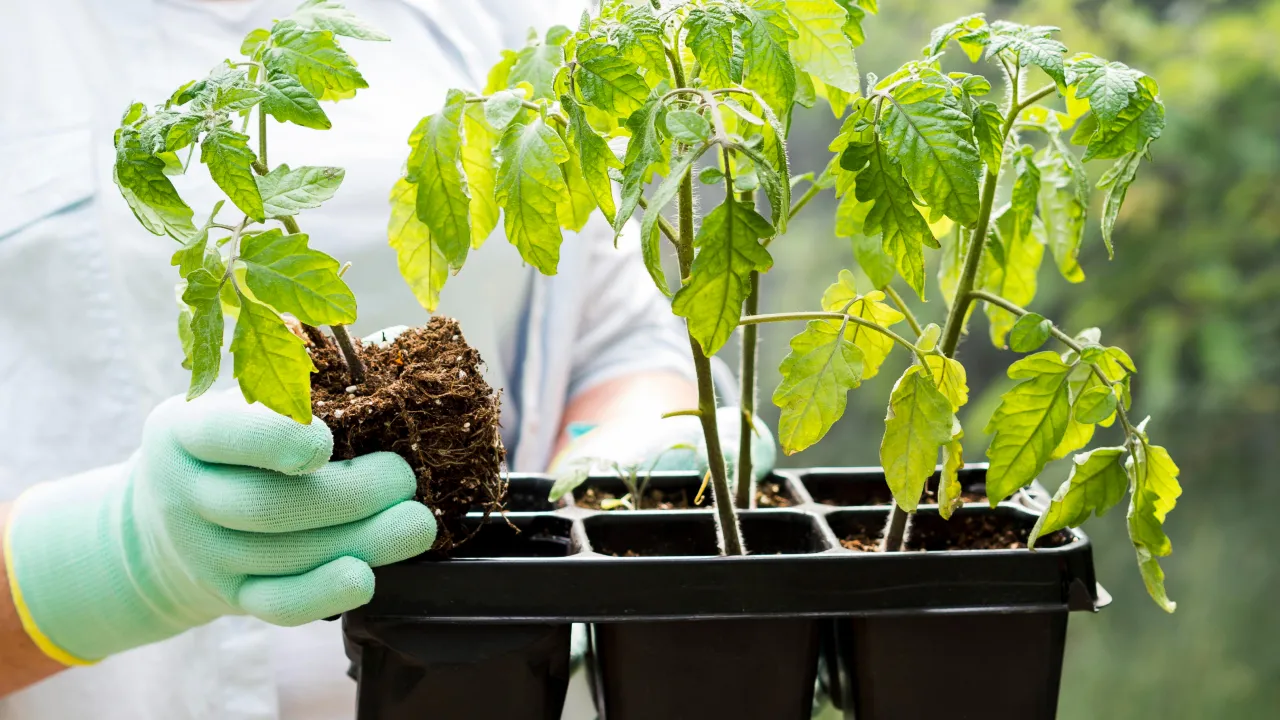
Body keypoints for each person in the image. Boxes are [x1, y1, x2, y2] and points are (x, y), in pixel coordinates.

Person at [0, 1, 775, 718]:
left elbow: (616, 329)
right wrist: (120, 556)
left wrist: (617, 458)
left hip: (494, 676)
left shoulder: (522, 20)